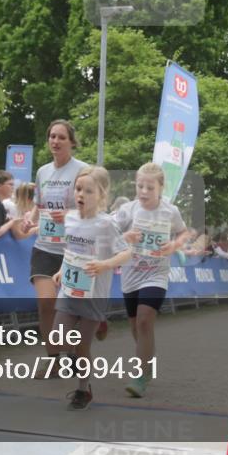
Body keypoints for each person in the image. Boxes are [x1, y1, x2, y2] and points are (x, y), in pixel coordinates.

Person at [52, 166, 132, 410]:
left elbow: (127, 253)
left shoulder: (105, 225)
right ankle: (89, 339)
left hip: (94, 293)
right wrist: (60, 271)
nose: (82, 195)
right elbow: (71, 251)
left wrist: (105, 264)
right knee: (57, 337)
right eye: (78, 189)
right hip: (69, 287)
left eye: (88, 191)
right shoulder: (70, 219)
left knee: (83, 346)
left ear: (101, 195)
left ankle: (83, 390)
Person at [113, 163, 189, 398]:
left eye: (149, 187)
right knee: (136, 326)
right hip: (131, 274)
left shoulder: (170, 211)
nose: (144, 191)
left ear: (161, 187)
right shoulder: (128, 209)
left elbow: (183, 232)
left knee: (145, 321)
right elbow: (107, 230)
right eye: (140, 186)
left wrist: (174, 245)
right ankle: (148, 362)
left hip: (156, 274)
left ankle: (139, 376)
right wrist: (125, 236)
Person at [23, 119, 89, 372]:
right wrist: (31, 218)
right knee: (46, 302)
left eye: (61, 137)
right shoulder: (42, 172)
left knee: (72, 306)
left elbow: (93, 205)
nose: (55, 141)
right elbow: (39, 206)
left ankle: (72, 352)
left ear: (72, 142)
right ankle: (53, 359)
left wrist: (71, 215)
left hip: (75, 249)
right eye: (52, 136)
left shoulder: (83, 170)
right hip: (45, 247)